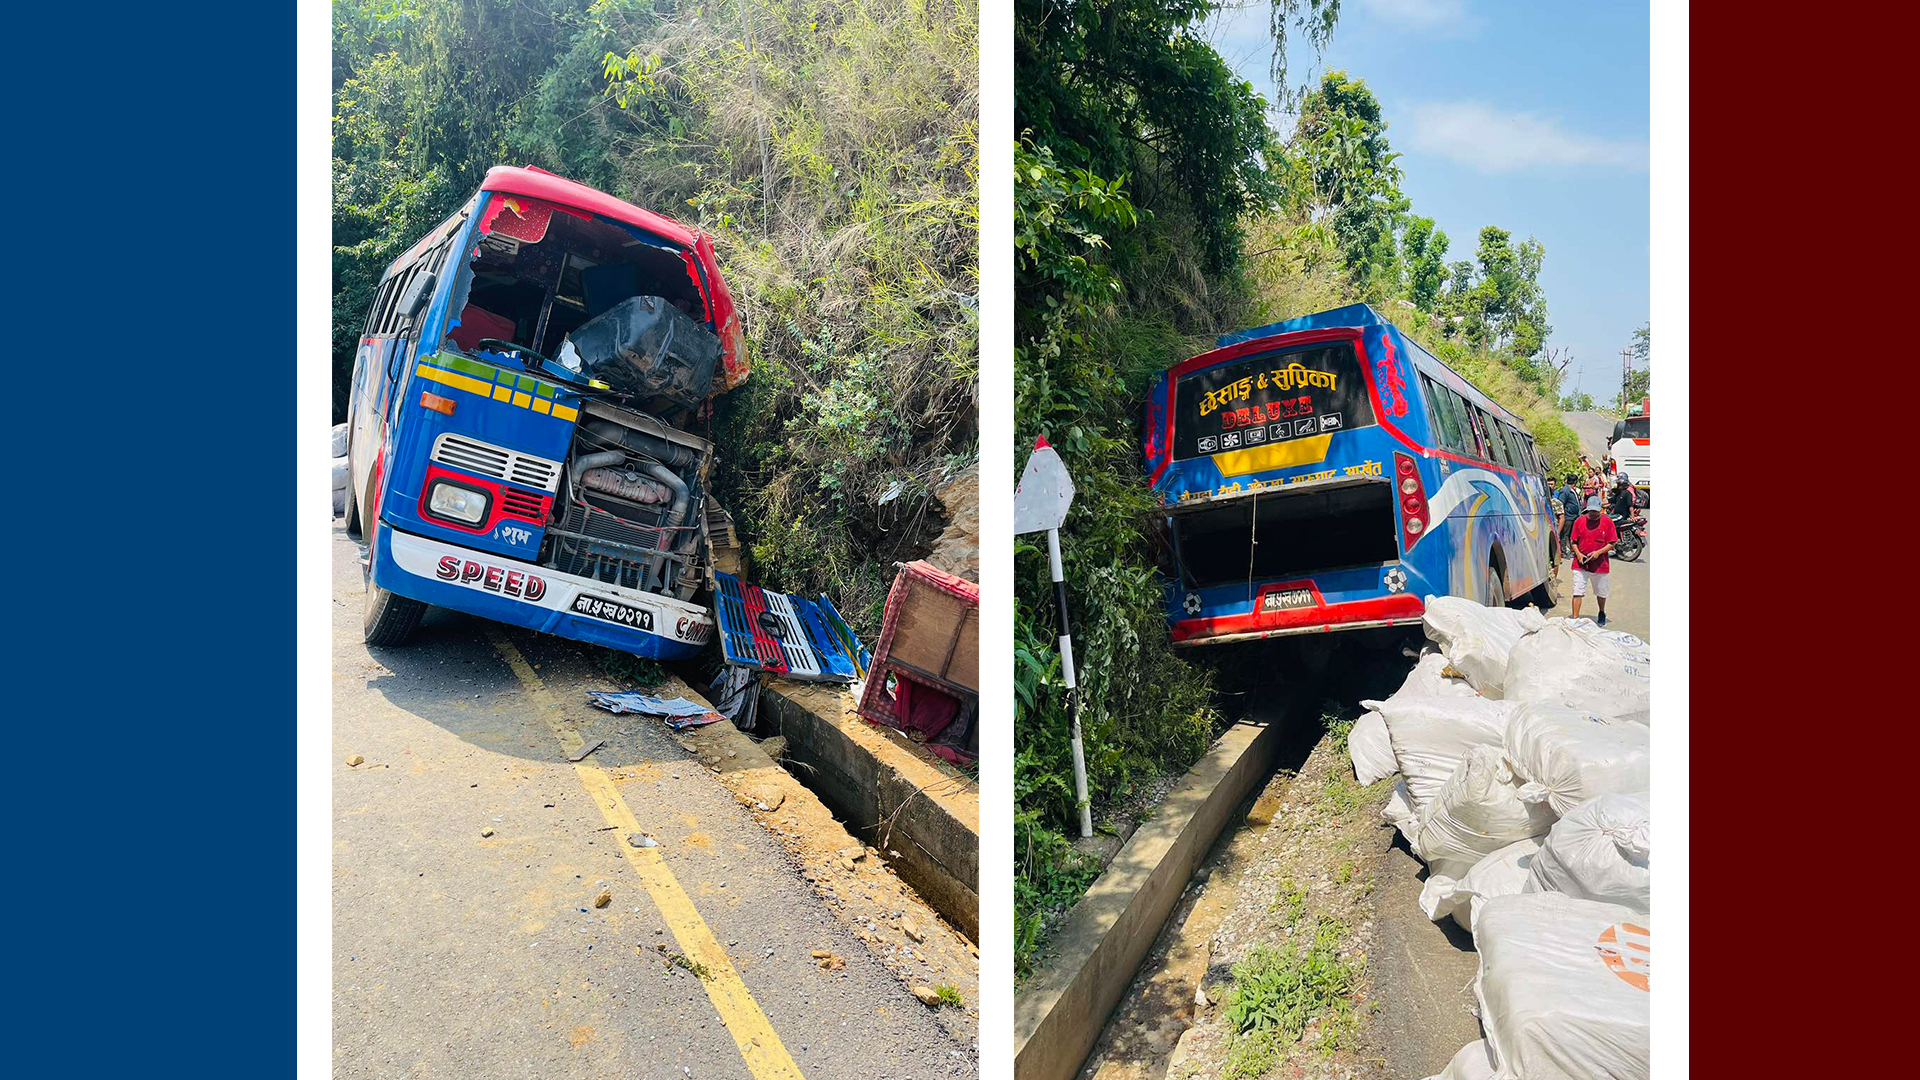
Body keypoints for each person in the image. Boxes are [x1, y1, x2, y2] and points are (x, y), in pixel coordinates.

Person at [1569, 495, 1618, 626]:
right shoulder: (1579, 521)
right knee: (1577, 591)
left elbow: (1612, 543)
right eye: (1591, 511)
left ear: (1600, 510)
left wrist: (1598, 553)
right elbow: (1573, 541)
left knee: (1601, 592)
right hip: (1581, 563)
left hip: (1600, 564)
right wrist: (1578, 554)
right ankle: (1575, 618)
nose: (1593, 514)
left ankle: (1601, 612)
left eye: (1596, 511)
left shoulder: (1607, 522)